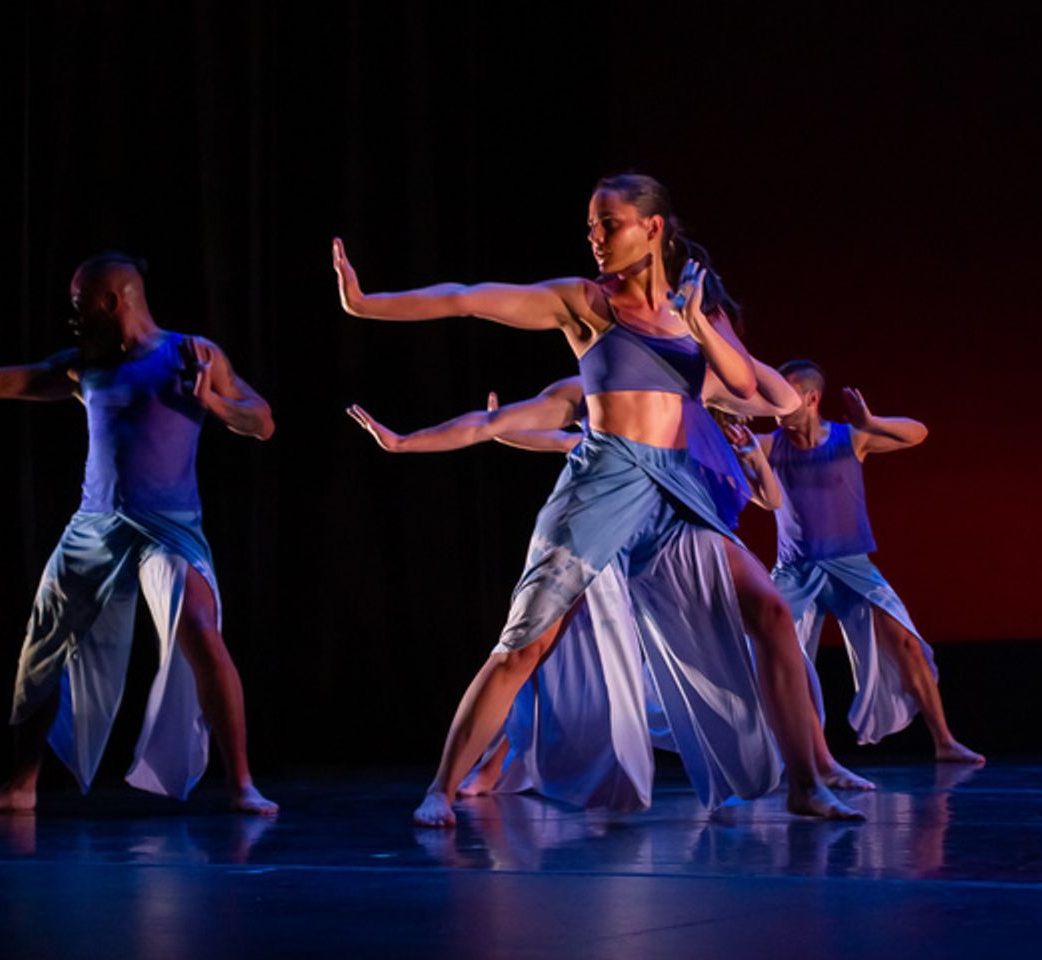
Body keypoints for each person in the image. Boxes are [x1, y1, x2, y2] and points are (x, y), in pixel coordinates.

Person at [335, 172, 863, 824]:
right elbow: (471, 299)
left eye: (607, 224)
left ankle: (807, 786)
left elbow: (772, 396)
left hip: (675, 491)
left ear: (653, 228)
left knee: (771, 614)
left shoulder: (701, 311)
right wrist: (368, 304)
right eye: (591, 226)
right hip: (602, 480)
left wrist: (699, 324)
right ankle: (440, 787)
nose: (595, 237)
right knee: (526, 644)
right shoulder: (585, 303)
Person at [348, 365, 873, 808]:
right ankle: (470, 774)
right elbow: (540, 431)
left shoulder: (704, 414)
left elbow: (772, 490)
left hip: (675, 556)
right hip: (607, 547)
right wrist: (419, 439)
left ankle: (817, 769)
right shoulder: (610, 393)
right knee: (532, 652)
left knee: (775, 629)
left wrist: (754, 454)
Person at [0, 252, 279, 813]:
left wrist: (211, 400)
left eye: (78, 303)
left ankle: (242, 784)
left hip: (168, 527)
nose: (73, 314)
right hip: (95, 525)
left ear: (111, 303)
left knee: (201, 630)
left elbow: (262, 420)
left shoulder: (190, 354)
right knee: (41, 647)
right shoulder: (85, 366)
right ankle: (21, 786)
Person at [760, 360, 983, 763]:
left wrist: (872, 420)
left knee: (906, 643)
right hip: (796, 572)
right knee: (781, 660)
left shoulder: (850, 439)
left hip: (852, 567)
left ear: (811, 398)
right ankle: (815, 759)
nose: (776, 400)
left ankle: (944, 742)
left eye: (786, 391)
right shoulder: (770, 446)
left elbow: (919, 434)